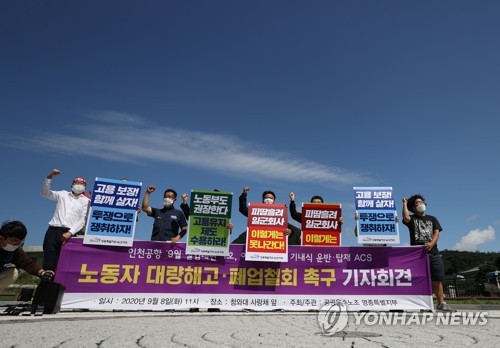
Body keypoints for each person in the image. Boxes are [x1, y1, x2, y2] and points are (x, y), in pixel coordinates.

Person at [402, 194, 454, 312]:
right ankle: (425, 305)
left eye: (422, 202)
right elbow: (405, 217)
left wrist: (431, 243)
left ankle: (441, 303)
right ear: (413, 208)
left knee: (437, 278)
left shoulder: (432, 218)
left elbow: (437, 233)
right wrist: (405, 203)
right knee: (422, 279)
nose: (421, 204)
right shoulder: (413, 219)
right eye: (417, 203)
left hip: (434, 253)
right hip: (418, 255)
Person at [41, 169, 90, 273]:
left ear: (85, 187)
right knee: (48, 265)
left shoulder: (86, 201)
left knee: (64, 265)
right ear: (71, 185)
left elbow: (82, 220)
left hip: (69, 235)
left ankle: (61, 288)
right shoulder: (62, 194)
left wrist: (70, 232)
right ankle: (46, 286)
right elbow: (45, 193)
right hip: (52, 232)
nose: (79, 185)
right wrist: (49, 177)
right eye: (76, 183)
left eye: (82, 184)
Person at [234, 187, 300, 245]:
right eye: (266, 198)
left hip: (273, 244)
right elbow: (243, 209)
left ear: (274, 201)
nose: (268, 199)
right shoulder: (256, 211)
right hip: (258, 242)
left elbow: (289, 226)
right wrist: (244, 195)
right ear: (263, 200)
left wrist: (290, 231)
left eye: (271, 198)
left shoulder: (279, 213)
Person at [1, 220, 53, 292]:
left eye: (20, 242)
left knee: (13, 272)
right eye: (14, 241)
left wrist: (42, 273)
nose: (16, 244)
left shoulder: (15, 251)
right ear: (1, 238)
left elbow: (28, 264)